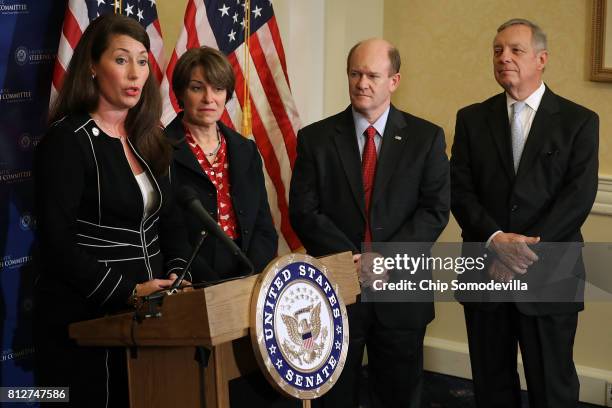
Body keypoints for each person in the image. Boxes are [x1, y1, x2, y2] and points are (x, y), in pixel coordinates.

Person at [34, 14, 191, 407]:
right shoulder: (66, 141)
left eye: (141, 60)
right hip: (88, 321)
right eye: (121, 60)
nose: (135, 73)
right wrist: (129, 292)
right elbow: (58, 243)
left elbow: (170, 222)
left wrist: (176, 274)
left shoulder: (150, 137)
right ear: (91, 65)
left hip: (151, 321)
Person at [290, 38, 450, 408]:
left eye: (372, 75)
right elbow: (303, 210)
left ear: (394, 80)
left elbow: (435, 211)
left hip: (400, 294)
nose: (362, 83)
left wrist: (384, 257)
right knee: (334, 395)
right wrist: (354, 260)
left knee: (398, 395)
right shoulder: (315, 138)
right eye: (355, 73)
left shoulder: (426, 138)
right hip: (336, 291)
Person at [450, 18, 599, 407]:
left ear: (541, 59)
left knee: (553, 387)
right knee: (491, 384)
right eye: (498, 50)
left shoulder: (579, 121)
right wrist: (497, 241)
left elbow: (578, 198)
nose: (504, 58)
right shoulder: (471, 118)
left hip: (549, 273)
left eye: (516, 50)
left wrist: (522, 253)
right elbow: (460, 190)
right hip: (486, 268)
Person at [165, 46, 278, 282]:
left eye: (217, 88)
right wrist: (211, 283)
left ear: (227, 94)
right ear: (181, 93)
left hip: (248, 272)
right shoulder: (161, 149)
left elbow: (263, 225)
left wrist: (252, 274)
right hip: (193, 277)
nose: (209, 98)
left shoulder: (245, 149)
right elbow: (167, 231)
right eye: (197, 88)